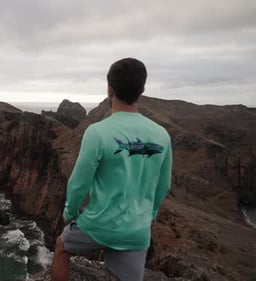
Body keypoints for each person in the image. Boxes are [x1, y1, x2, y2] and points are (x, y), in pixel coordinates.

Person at [51, 58, 172, 281]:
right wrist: (150, 214)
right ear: (142, 89)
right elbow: (164, 185)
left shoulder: (97, 132)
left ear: (109, 88)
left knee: (61, 246)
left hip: (98, 225)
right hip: (136, 230)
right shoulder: (161, 135)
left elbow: (79, 182)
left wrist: (70, 212)